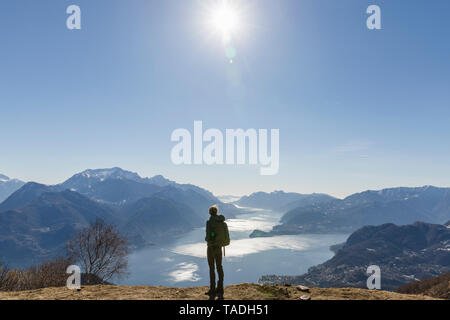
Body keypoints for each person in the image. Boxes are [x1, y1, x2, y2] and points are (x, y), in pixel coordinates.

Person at [204, 205, 229, 300]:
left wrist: (208, 238)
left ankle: (212, 289)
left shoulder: (209, 222)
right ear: (216, 212)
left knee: (211, 268)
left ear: (210, 212)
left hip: (211, 248)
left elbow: (209, 236)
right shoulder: (221, 222)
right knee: (219, 267)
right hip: (219, 247)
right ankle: (220, 288)